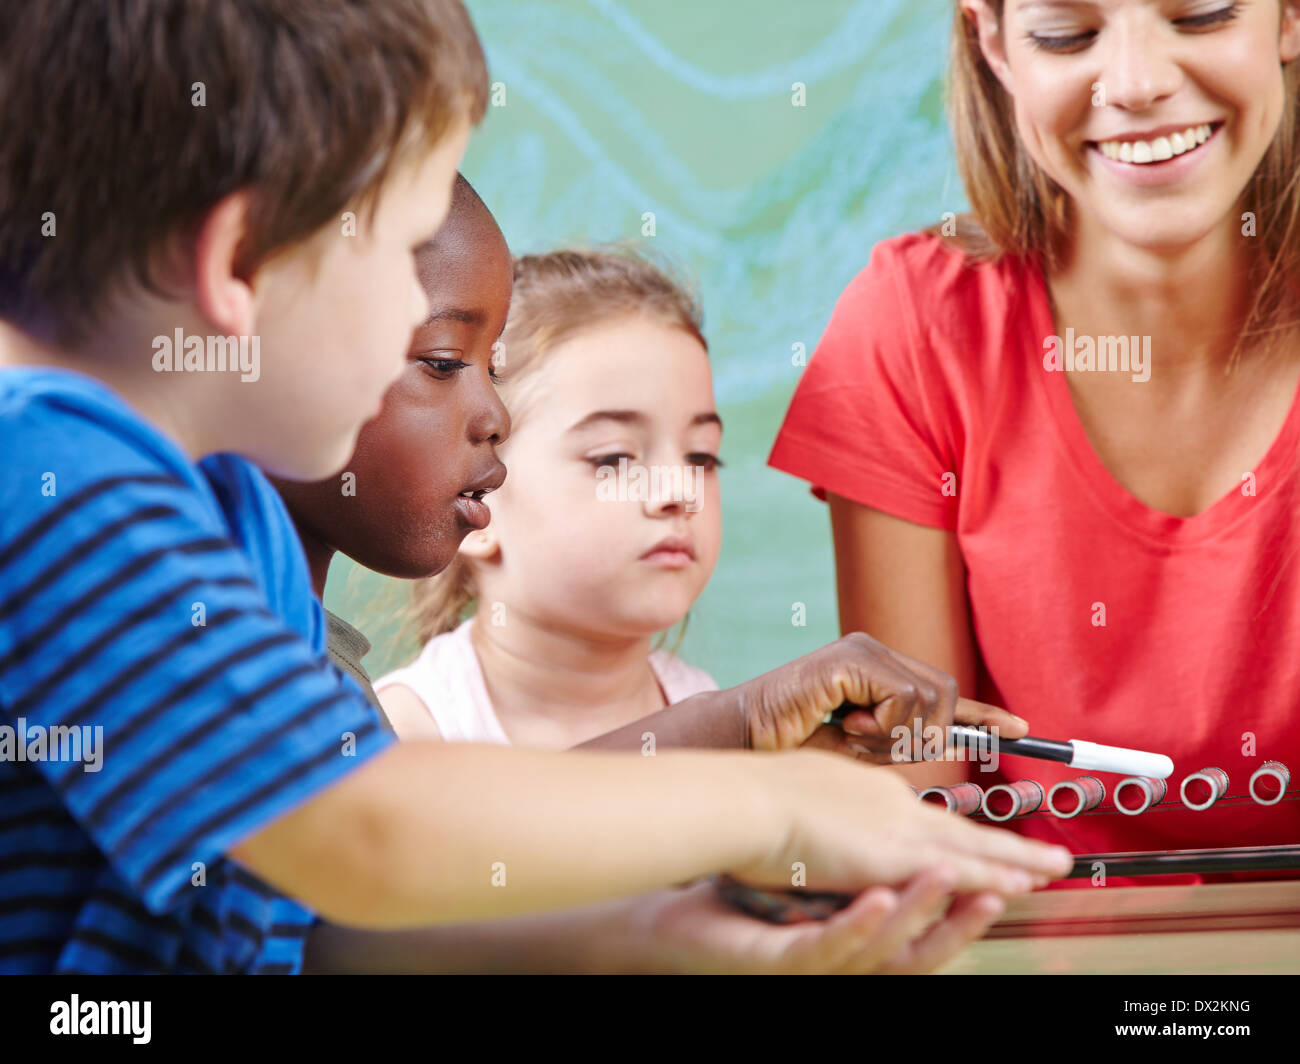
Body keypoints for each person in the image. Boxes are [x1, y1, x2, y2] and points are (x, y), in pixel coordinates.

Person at [0, 0, 1070, 973]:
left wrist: (662, 939)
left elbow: (337, 930)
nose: (491, 394)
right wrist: (774, 805)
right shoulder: (54, 478)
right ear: (237, 266)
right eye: (406, 255)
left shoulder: (235, 527)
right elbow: (365, 833)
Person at [769, 0, 1300, 859]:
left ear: (1287, 19)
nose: (1136, 84)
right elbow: (920, 798)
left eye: (1200, 15)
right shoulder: (914, 326)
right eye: (1067, 33)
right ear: (992, 41)